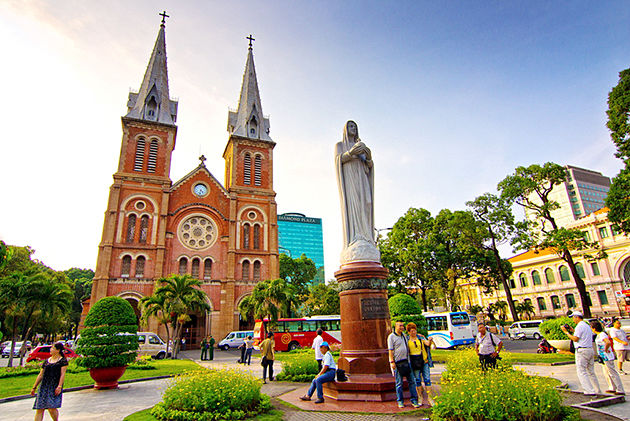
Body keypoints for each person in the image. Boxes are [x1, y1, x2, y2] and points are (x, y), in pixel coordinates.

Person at [334, 120, 380, 263]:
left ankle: (367, 237)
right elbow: (337, 161)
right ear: (345, 130)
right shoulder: (340, 145)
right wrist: (350, 153)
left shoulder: (362, 145)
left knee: (367, 203)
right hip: (350, 182)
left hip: (362, 179)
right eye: (350, 126)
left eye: (354, 126)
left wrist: (369, 158)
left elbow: (369, 166)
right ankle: (356, 236)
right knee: (355, 206)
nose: (352, 128)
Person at [562, 311, 601, 396]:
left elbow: (575, 339)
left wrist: (566, 332)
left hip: (582, 350)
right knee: (591, 372)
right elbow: (582, 335)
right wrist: (572, 330)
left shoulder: (579, 326)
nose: (573, 320)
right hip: (589, 349)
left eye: (573, 318)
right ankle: (597, 389)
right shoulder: (586, 325)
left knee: (581, 371)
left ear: (577, 317)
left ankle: (589, 390)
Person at [31, 342, 68, 421]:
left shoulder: (63, 361)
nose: (50, 350)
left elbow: (62, 374)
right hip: (44, 386)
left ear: (58, 350)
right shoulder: (47, 361)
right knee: (40, 408)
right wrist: (34, 387)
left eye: (52, 348)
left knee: (52, 407)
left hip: (54, 386)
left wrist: (59, 386)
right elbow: (40, 374)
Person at [388, 320, 420, 408]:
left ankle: (414, 400)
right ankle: (400, 401)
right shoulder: (391, 337)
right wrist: (392, 362)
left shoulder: (404, 336)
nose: (402, 327)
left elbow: (414, 338)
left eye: (402, 326)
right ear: (395, 327)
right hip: (398, 363)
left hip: (407, 361)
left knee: (412, 381)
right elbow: (390, 350)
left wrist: (420, 336)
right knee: (399, 383)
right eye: (400, 326)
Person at [591, 320, 625, 395]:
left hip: (607, 356)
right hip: (603, 357)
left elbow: (608, 342)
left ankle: (620, 389)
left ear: (594, 328)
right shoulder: (599, 335)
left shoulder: (602, 335)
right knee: (606, 373)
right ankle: (612, 387)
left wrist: (606, 349)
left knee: (612, 372)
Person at [406, 322, 434, 407]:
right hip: (414, 362)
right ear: (408, 332)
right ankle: (420, 397)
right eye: (412, 331)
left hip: (423, 361)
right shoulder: (407, 339)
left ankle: (430, 398)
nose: (414, 332)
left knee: (427, 379)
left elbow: (427, 344)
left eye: (414, 330)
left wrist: (430, 340)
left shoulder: (420, 337)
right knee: (417, 380)